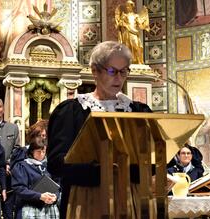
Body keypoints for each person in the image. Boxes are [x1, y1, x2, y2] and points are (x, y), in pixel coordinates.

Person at [47, 41, 152, 218]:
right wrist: (101, 170)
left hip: (129, 198)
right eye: (112, 71)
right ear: (94, 71)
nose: (118, 78)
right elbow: (57, 163)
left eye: (124, 71)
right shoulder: (72, 111)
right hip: (86, 198)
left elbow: (152, 156)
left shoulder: (138, 111)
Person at [0, 97, 20, 219]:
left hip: (9, 174)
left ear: (3, 109)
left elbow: (17, 149)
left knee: (8, 208)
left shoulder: (13, 128)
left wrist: (8, 163)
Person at [11, 138, 59, 218]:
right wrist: (40, 196)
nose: (41, 154)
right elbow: (20, 189)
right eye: (38, 151)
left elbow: (58, 184)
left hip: (49, 208)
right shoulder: (22, 166)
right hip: (30, 208)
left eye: (43, 151)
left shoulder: (50, 166)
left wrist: (55, 196)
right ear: (32, 151)